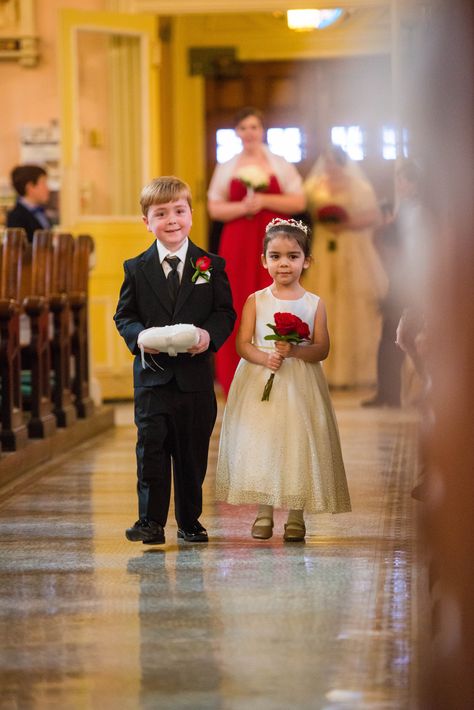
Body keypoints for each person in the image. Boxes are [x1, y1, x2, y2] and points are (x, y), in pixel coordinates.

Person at [114, 176, 236, 545]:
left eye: (179, 211)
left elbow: (224, 312)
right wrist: (139, 338)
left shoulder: (209, 265)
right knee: (151, 449)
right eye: (161, 213)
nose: (171, 220)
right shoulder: (136, 268)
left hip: (195, 380)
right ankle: (149, 521)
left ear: (192, 215)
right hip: (152, 379)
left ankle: (190, 520)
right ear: (146, 221)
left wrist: (208, 337)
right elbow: (125, 315)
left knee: (191, 452)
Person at [215, 218, 351, 542]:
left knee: (297, 444)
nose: (284, 263)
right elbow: (242, 344)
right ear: (264, 261)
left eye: (292, 256)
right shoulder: (256, 300)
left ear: (307, 260)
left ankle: (295, 515)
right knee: (265, 443)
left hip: (300, 385)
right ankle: (264, 513)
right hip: (261, 381)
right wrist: (266, 357)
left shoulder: (314, 303)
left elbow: (322, 349)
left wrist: (294, 352)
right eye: (275, 256)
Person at [207, 106, 306, 395]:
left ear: (262, 130)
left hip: (275, 238)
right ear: (237, 133)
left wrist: (264, 200)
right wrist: (242, 207)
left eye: (254, 127)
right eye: (243, 128)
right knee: (239, 301)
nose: (249, 133)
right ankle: (236, 377)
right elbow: (214, 207)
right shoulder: (227, 166)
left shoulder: (279, 163)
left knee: (277, 297)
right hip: (238, 241)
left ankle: (283, 368)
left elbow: (299, 201)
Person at [303, 145, 387, 389]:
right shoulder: (313, 187)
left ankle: (352, 372)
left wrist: (348, 223)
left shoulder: (360, 187)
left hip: (351, 248)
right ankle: (323, 371)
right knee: (323, 302)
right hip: (322, 247)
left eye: (335, 162)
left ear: (343, 163)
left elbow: (373, 216)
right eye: (327, 162)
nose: (331, 167)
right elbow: (305, 212)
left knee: (351, 306)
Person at [363, 161, 423, 407]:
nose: (400, 184)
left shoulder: (423, 211)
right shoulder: (404, 208)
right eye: (398, 179)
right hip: (400, 278)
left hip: (417, 278)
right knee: (390, 334)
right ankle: (387, 393)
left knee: (411, 335)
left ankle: (426, 388)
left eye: (405, 179)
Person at [7, 164, 52, 242]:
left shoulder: (41, 211)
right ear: (30, 187)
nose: (48, 189)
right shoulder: (16, 216)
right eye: (43, 183)